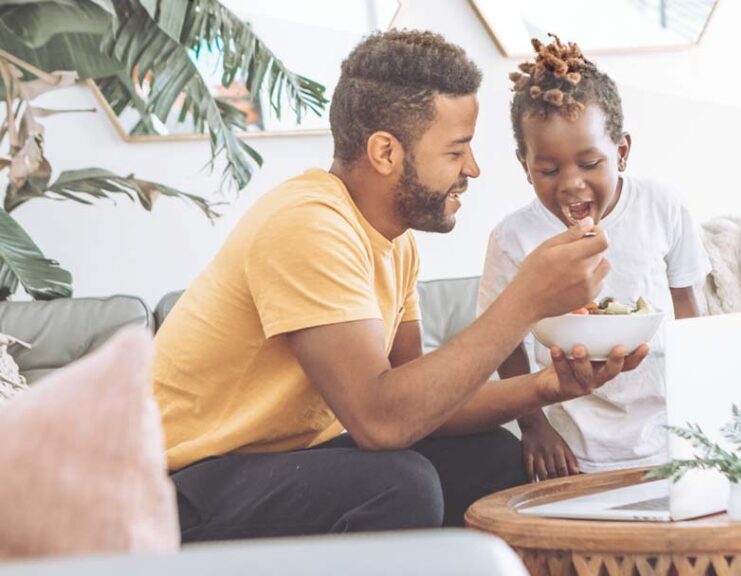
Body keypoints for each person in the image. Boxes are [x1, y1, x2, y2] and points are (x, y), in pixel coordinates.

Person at [153, 29, 647, 541]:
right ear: (386, 152)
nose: (473, 169)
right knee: (399, 485)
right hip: (180, 488)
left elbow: (420, 405)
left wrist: (546, 387)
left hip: (277, 466)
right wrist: (525, 301)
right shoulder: (307, 224)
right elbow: (380, 421)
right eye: (457, 151)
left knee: (494, 459)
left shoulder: (396, 243)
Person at [477, 36, 710, 480]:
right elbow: (504, 345)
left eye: (589, 163)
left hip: (672, 434)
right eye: (548, 170)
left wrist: (706, 408)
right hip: (575, 446)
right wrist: (534, 427)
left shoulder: (662, 205)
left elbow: (689, 308)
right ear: (524, 164)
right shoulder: (512, 238)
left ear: (621, 152)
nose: (571, 184)